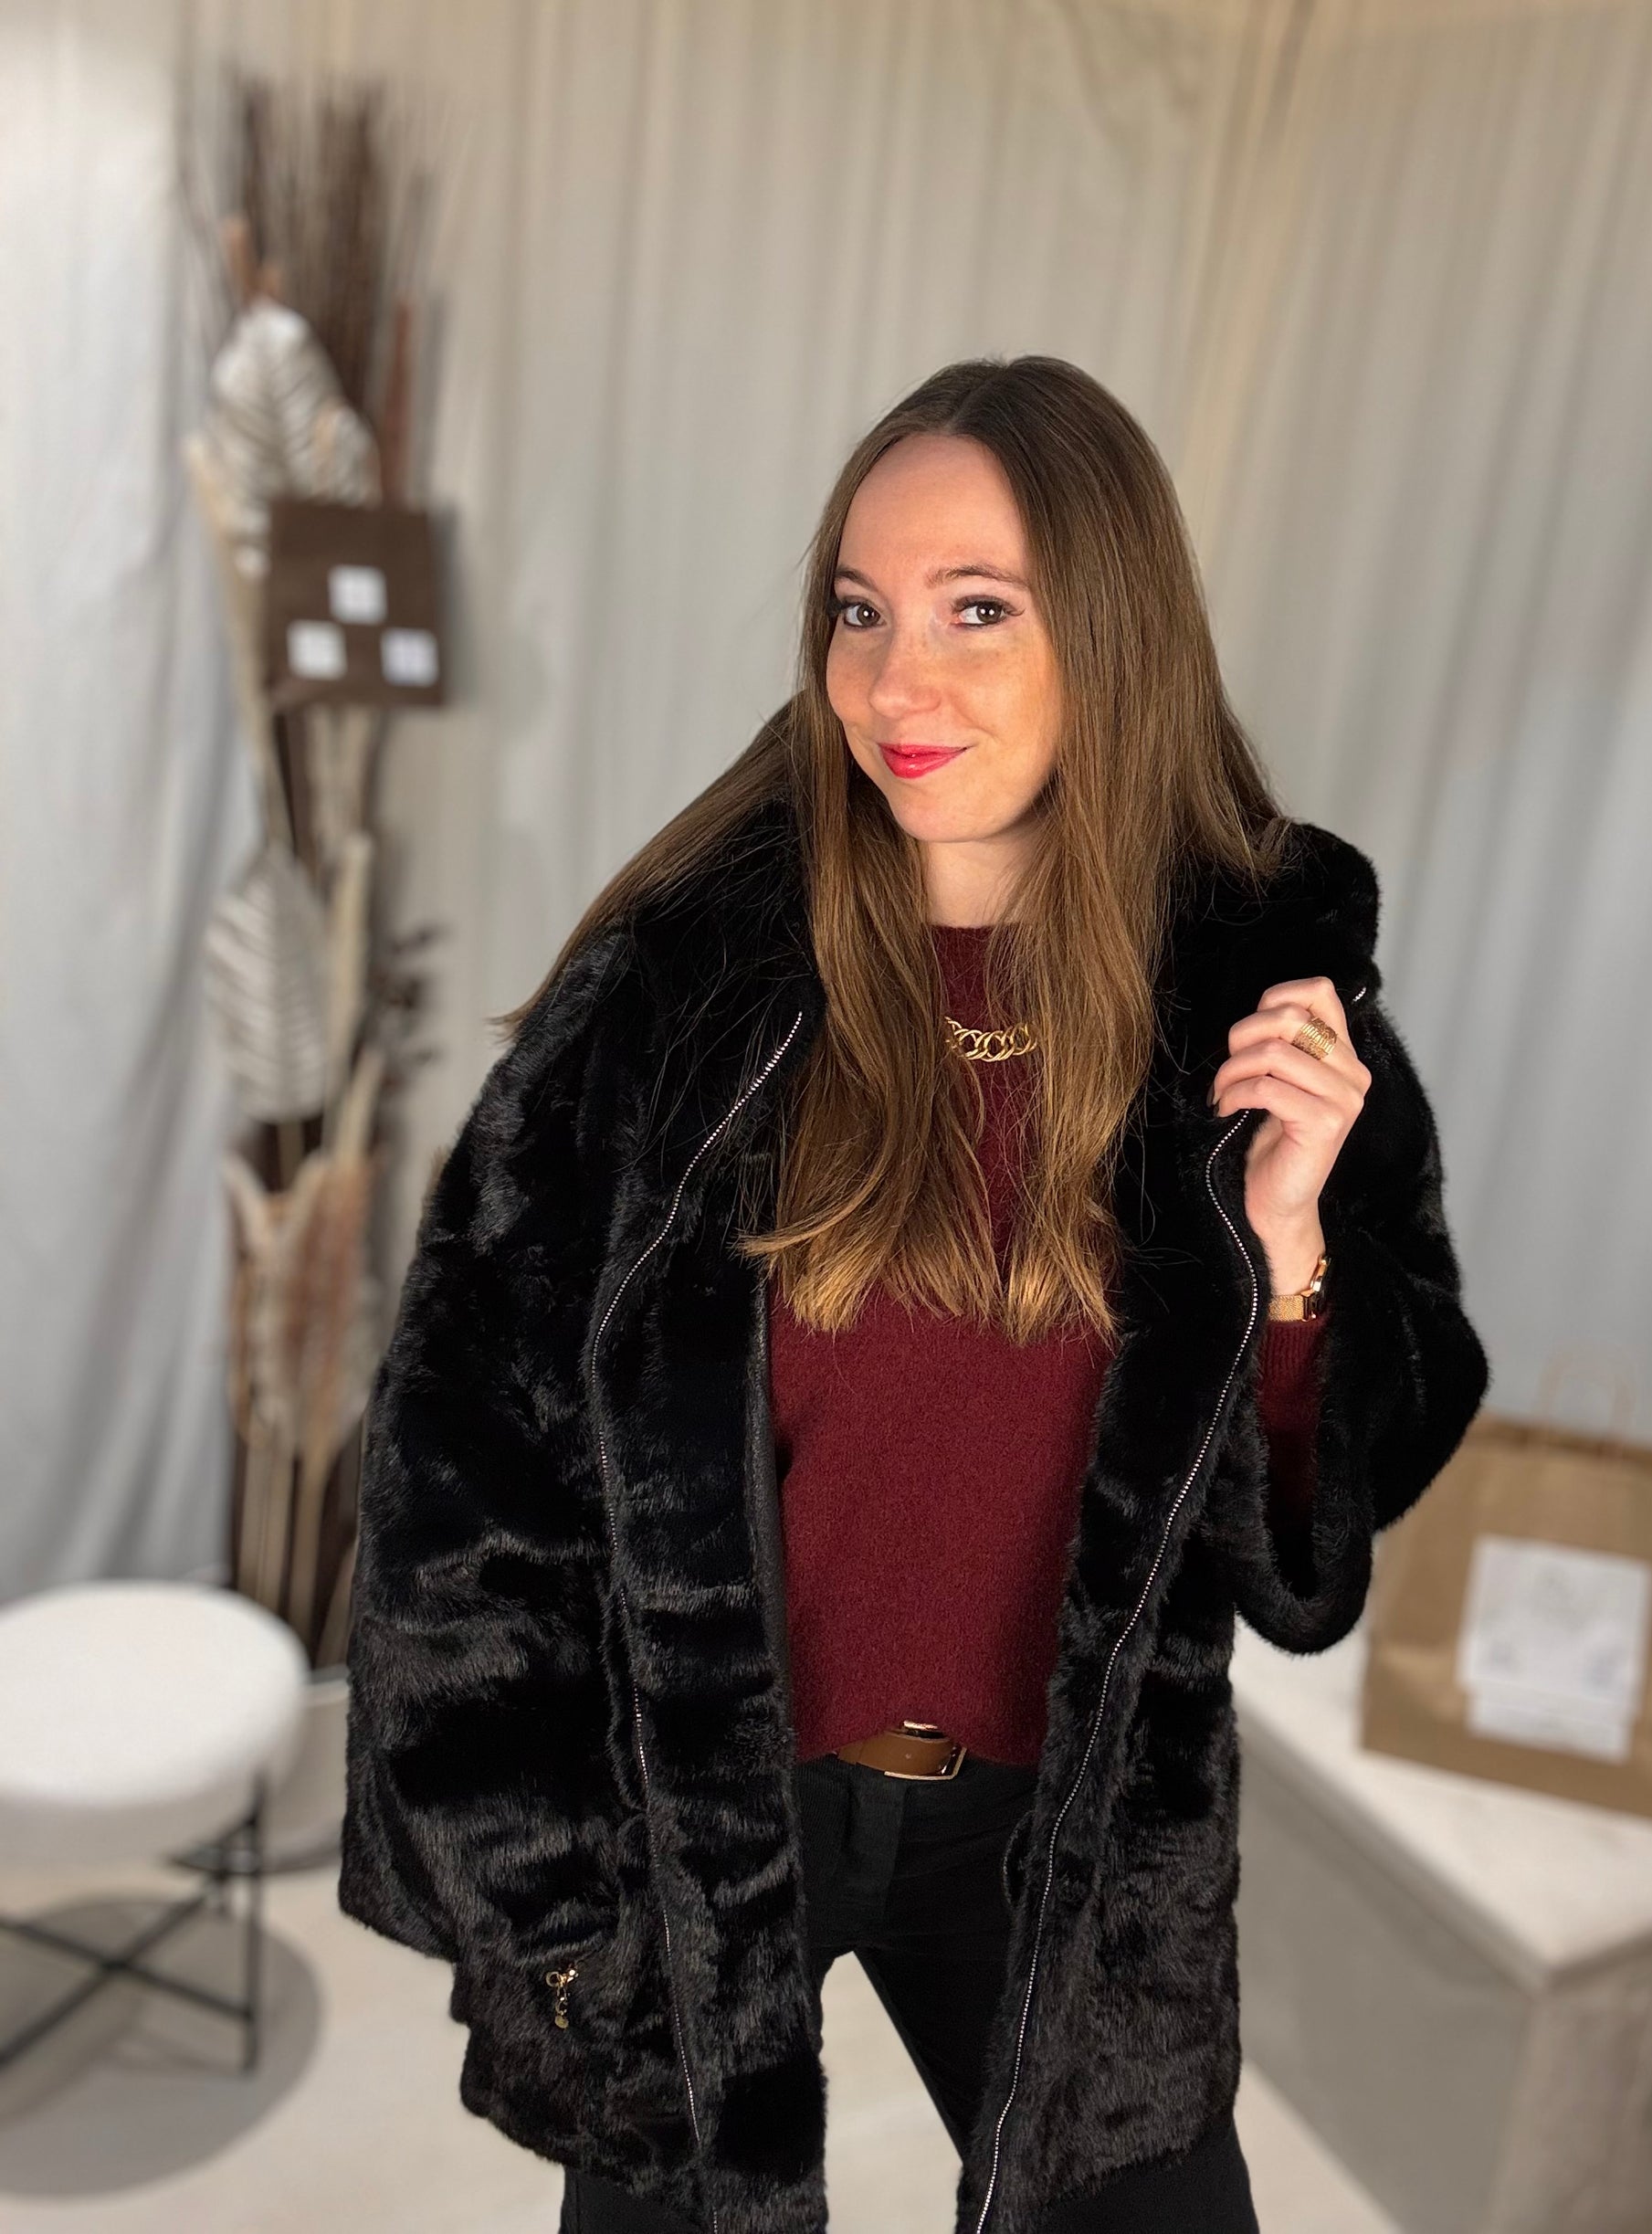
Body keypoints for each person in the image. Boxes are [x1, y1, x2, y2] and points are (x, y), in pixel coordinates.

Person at [340, 354, 1489, 2234]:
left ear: (1110, 633)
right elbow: (457, 1468)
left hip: (1066, 1833)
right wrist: (546, 1909)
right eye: (858, 610)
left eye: (975, 610)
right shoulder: (678, 998)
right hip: (710, 1819)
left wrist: (1286, 1251)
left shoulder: (1263, 1020)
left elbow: (1307, 1560)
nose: (892, 683)